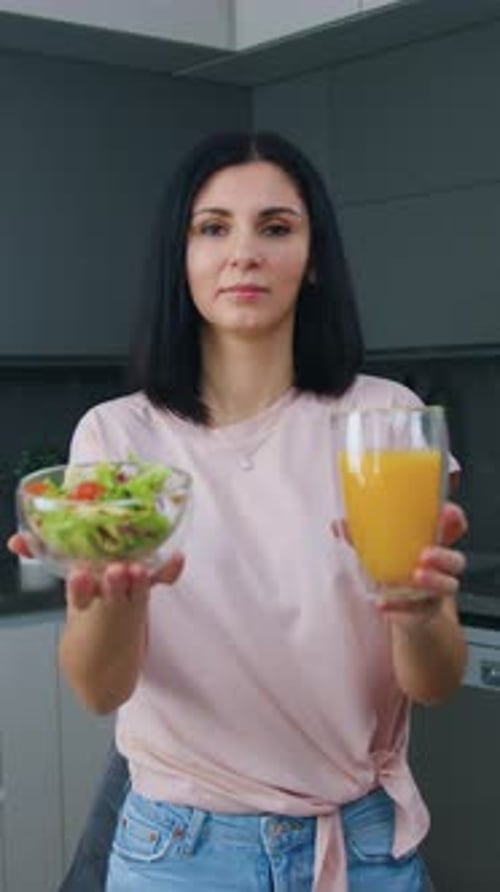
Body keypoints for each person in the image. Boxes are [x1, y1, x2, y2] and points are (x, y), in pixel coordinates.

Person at [10, 131, 467, 892]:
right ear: (180, 256)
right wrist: (120, 603)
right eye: (213, 227)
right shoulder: (120, 437)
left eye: (277, 227)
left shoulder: (387, 420)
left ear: (314, 257)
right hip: (180, 854)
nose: (243, 252)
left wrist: (420, 615)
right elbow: (98, 689)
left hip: (362, 848)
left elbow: (434, 681)